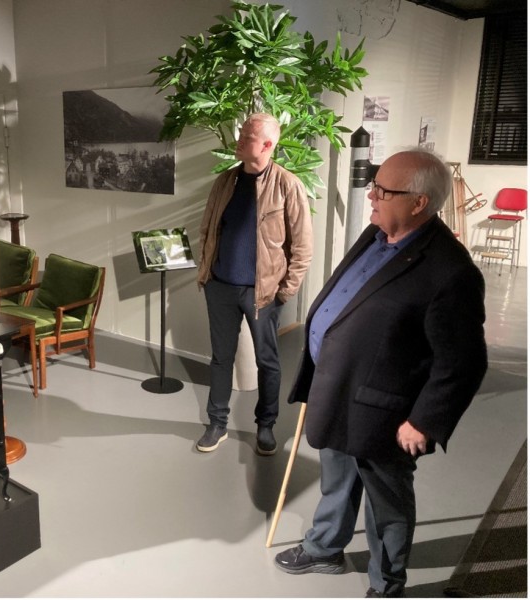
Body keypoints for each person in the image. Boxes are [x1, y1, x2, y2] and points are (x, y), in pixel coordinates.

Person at [273, 149, 488, 598]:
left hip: (386, 411)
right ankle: (325, 548)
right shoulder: (377, 232)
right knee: (337, 480)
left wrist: (424, 422)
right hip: (338, 389)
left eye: (383, 190)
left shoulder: (450, 272)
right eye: (374, 185)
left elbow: (463, 361)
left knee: (386, 504)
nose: (371, 195)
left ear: (418, 203)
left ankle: (386, 584)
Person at [195, 113, 313, 454]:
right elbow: (208, 229)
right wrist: (207, 273)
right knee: (221, 358)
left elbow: (303, 247)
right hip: (220, 286)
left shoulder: (288, 185)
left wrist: (285, 291)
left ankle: (266, 425)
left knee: (268, 361)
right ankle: (217, 423)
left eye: (247, 136)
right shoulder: (225, 181)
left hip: (264, 293)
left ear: (267, 145)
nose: (239, 139)